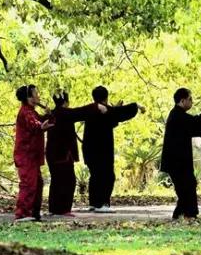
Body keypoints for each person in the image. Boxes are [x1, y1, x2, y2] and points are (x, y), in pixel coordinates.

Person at [159, 88, 201, 220]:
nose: (192, 102)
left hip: (180, 160)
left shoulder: (179, 116)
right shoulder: (177, 116)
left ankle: (183, 214)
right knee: (186, 187)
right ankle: (189, 214)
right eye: (190, 99)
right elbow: (196, 122)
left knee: (188, 186)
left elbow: (197, 129)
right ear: (182, 100)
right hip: (176, 161)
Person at [81, 85, 143, 213]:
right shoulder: (106, 110)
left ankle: (94, 203)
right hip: (102, 150)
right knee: (107, 176)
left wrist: (115, 108)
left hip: (89, 149)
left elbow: (111, 119)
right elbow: (119, 114)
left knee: (95, 175)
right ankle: (102, 203)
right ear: (106, 97)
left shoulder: (91, 110)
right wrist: (136, 106)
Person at [45, 91, 107, 216]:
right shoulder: (64, 113)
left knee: (57, 180)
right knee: (68, 180)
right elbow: (80, 112)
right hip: (62, 155)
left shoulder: (53, 113)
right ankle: (63, 209)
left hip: (52, 154)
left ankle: (54, 208)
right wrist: (96, 106)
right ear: (66, 102)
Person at [13, 84, 54, 223]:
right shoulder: (25, 112)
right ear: (29, 97)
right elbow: (35, 124)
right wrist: (41, 126)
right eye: (36, 94)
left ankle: (33, 212)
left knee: (38, 183)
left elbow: (43, 122)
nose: (38, 96)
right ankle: (22, 214)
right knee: (29, 184)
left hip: (33, 155)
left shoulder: (32, 111)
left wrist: (49, 115)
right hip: (26, 155)